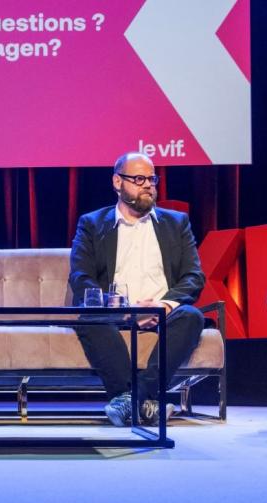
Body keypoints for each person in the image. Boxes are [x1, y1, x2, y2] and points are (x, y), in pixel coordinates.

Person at [69, 152, 206, 426]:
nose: (148, 186)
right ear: (118, 182)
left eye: (152, 179)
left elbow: (193, 276)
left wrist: (163, 306)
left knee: (192, 316)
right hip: (113, 314)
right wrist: (124, 311)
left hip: (163, 315)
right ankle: (145, 403)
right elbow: (81, 276)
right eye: (139, 179)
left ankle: (129, 400)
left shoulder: (176, 223)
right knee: (89, 318)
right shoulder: (93, 223)